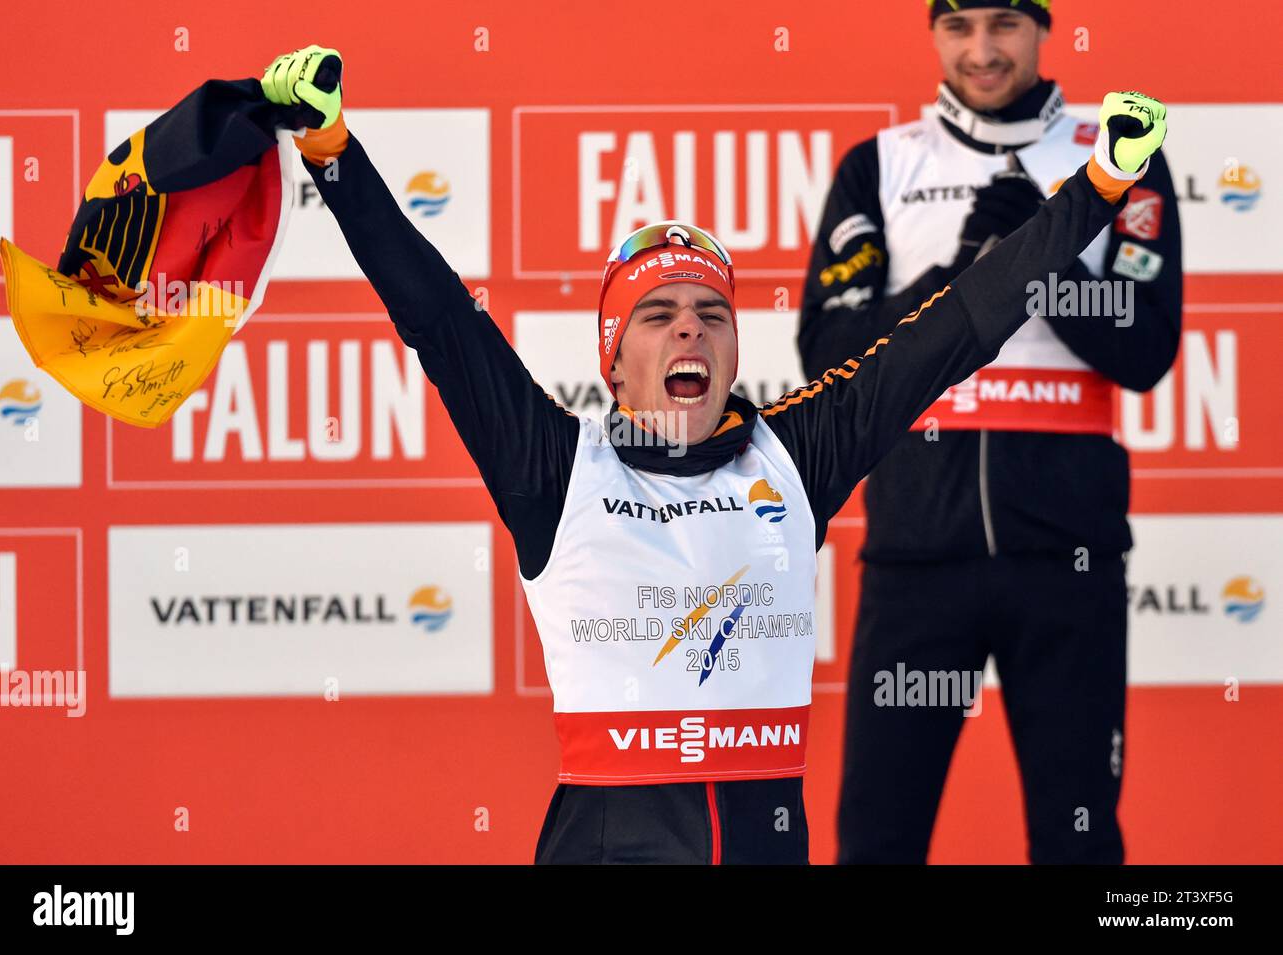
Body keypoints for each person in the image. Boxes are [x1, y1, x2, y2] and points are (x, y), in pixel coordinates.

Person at [261, 44, 1167, 865]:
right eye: (658, 314)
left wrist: (1096, 187)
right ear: (613, 360)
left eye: (713, 313)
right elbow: (438, 318)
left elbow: (965, 324)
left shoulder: (795, 454)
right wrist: (335, 154)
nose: (689, 326)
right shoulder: (555, 469)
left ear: (734, 350)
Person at [797, 0, 1183, 864]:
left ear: (1044, 29)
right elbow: (826, 351)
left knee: (1077, 840)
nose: (982, 49)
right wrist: (960, 273)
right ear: (932, 33)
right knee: (878, 840)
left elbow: (1148, 348)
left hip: (1066, 562)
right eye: (959, 24)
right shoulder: (881, 166)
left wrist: (1035, 260)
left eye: (1005, 23)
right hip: (916, 562)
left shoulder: (1117, 158)